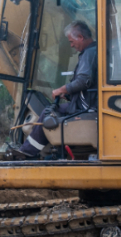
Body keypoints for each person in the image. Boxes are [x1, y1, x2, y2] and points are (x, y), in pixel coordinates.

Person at [11, 20, 97, 159]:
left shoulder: (89, 54)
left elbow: (83, 81)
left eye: (71, 41)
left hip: (86, 108)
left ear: (80, 37)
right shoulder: (95, 51)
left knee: (48, 113)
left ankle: (27, 152)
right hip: (89, 104)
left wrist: (61, 90)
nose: (71, 45)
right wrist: (68, 95)